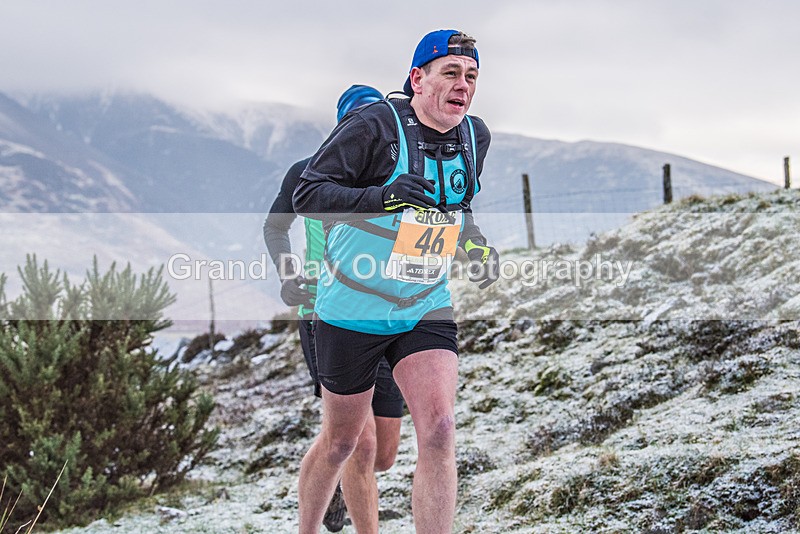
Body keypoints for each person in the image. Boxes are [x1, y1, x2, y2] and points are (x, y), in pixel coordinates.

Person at [292, 29, 499, 533]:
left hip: (424, 302)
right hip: (352, 306)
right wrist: (382, 197)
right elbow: (307, 194)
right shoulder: (375, 126)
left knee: (441, 430)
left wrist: (473, 245)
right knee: (343, 442)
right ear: (418, 78)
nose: (463, 85)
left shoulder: (475, 136)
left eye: (471, 76)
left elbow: (458, 208)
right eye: (450, 72)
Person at [263, 85, 406, 533]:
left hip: (391, 315)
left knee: (382, 455)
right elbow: (275, 227)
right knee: (357, 446)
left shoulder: (400, 176)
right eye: (359, 121)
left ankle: (334, 479)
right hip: (327, 311)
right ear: (343, 127)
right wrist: (290, 276)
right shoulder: (310, 173)